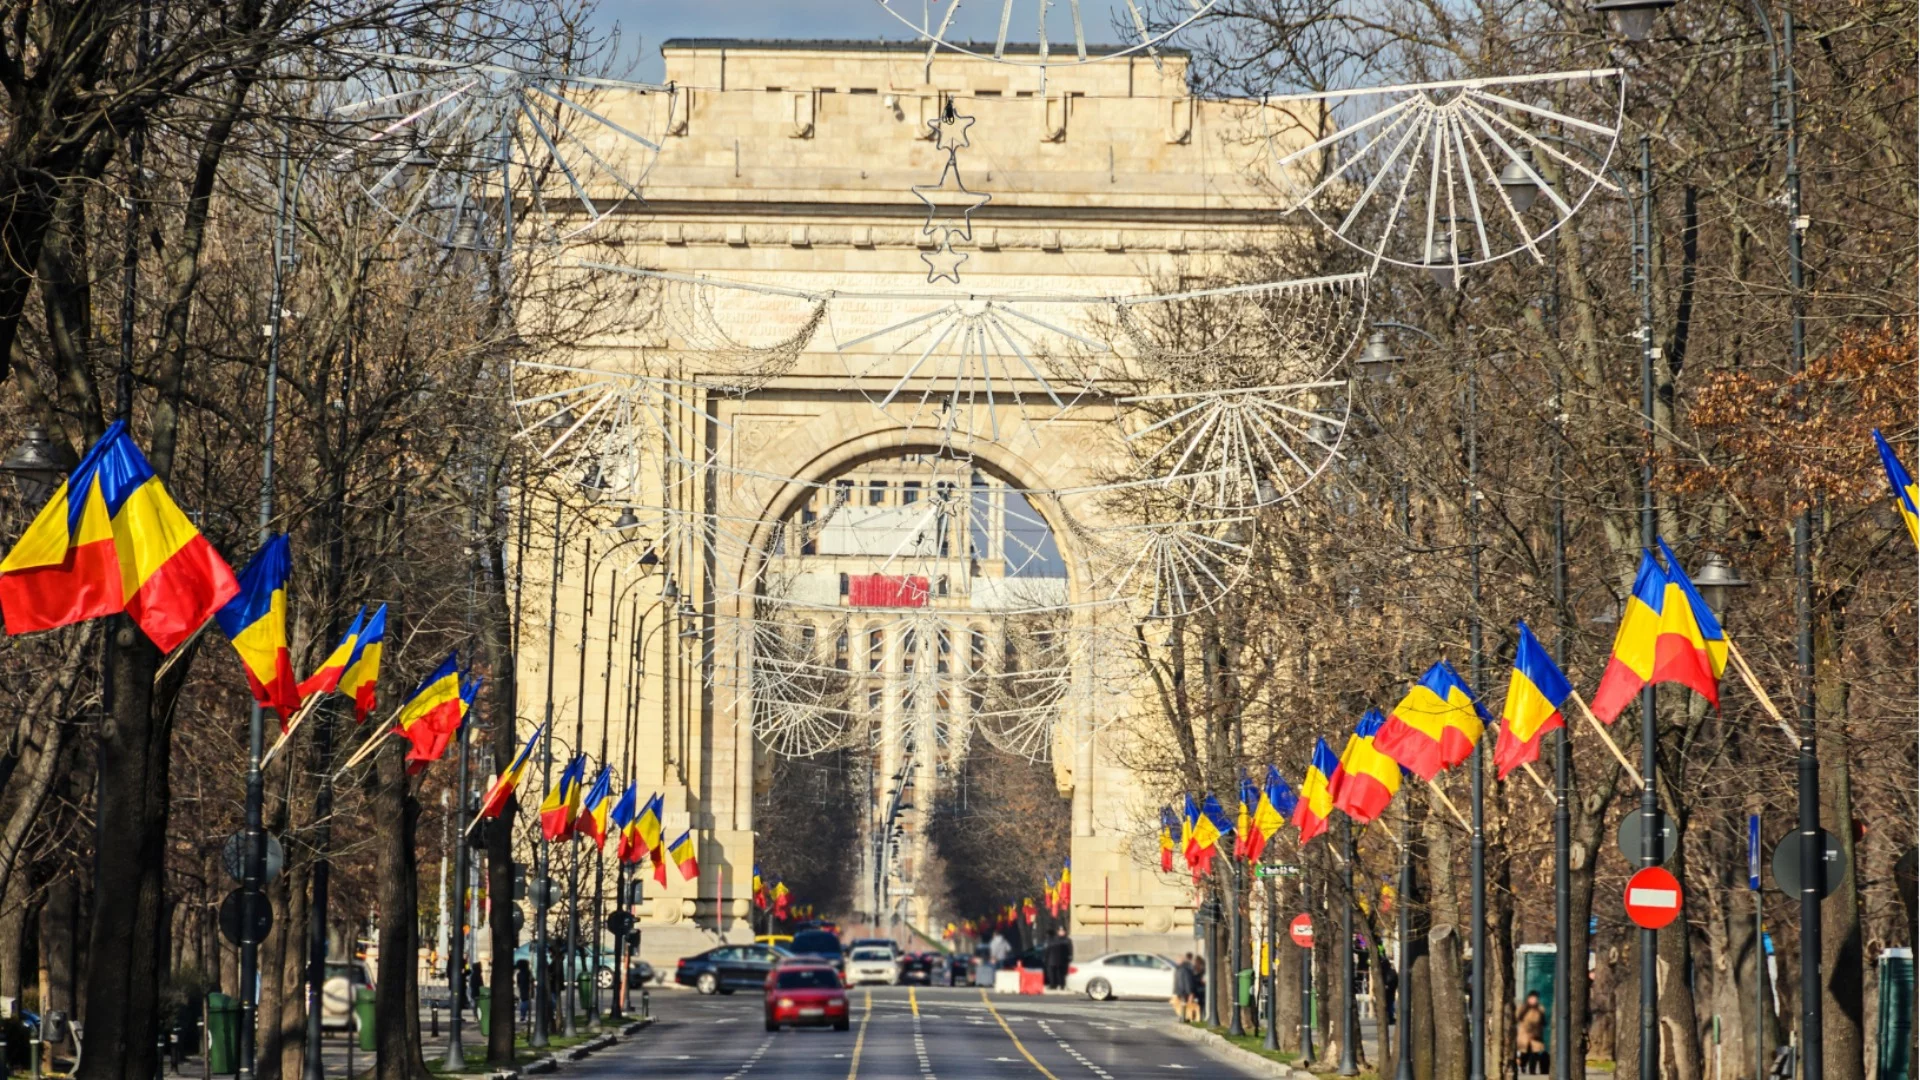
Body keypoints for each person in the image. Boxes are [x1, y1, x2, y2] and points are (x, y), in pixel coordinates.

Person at [1516, 991, 1547, 1075]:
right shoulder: (1523, 1008)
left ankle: (1532, 1071)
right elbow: (1518, 1017)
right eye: (1532, 998)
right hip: (1524, 1034)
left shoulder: (1540, 1009)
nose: (1534, 1000)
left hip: (1536, 1035)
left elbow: (1543, 1021)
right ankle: (1523, 1065)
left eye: (1535, 998)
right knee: (1524, 1053)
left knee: (1535, 1053)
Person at [1172, 952, 1195, 1020]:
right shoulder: (1179, 969)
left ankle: (1184, 1017)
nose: (1176, 961)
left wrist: (1190, 992)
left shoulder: (1184, 969)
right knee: (1180, 1005)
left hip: (1183, 991)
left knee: (1184, 1004)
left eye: (1178, 960)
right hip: (1180, 990)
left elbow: (1187, 981)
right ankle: (1183, 1017)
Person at [1186, 955, 1207, 1022]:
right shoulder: (1196, 970)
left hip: (1199, 990)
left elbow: (1200, 980)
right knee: (1197, 1005)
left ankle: (1196, 1017)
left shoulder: (1200, 970)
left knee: (1199, 1005)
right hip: (1197, 990)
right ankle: (1193, 1017)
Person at [515, 959, 533, 1026]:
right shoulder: (528, 972)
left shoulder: (519, 974)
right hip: (526, 989)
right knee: (525, 1002)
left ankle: (523, 1016)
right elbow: (531, 981)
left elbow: (518, 983)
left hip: (522, 989)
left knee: (524, 1001)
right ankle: (523, 1016)